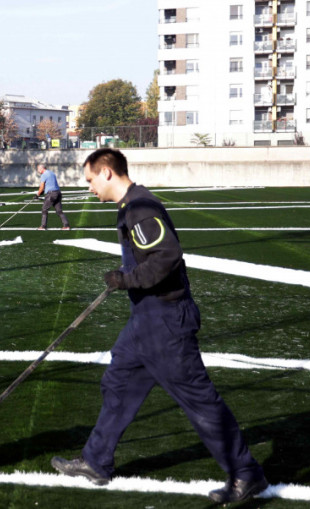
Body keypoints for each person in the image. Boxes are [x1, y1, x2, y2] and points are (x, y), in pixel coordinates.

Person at [50, 148, 268, 504]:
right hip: (146, 322)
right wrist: (128, 280)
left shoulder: (140, 208)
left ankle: (246, 474)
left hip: (166, 323)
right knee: (118, 381)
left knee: (200, 403)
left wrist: (126, 279)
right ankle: (96, 461)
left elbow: (167, 256)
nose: (89, 188)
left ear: (107, 173)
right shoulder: (130, 206)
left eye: (90, 180)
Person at [35, 164, 70, 230]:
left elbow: (42, 186)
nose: (38, 171)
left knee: (44, 209)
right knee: (59, 210)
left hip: (51, 194)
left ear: (41, 168)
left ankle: (43, 226)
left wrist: (37, 195)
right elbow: (50, 184)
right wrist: (43, 191)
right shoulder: (51, 173)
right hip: (58, 193)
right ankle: (66, 225)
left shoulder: (44, 175)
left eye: (38, 169)